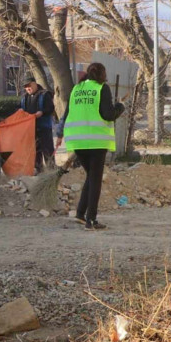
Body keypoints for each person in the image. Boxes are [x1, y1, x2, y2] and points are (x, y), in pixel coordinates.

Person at [56, 63, 124, 231]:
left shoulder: (76, 89)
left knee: (91, 177)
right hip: (96, 140)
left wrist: (59, 134)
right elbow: (107, 114)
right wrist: (120, 107)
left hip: (77, 141)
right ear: (102, 74)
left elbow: (66, 115)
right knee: (95, 180)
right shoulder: (102, 88)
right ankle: (91, 220)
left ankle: (80, 214)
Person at [20, 77, 56, 172]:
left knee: (48, 152)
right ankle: (39, 172)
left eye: (29, 85)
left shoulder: (44, 94)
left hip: (44, 129)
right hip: (31, 130)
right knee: (35, 153)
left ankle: (51, 172)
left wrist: (42, 112)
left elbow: (51, 108)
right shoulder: (24, 98)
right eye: (25, 87)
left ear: (34, 84)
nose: (28, 88)